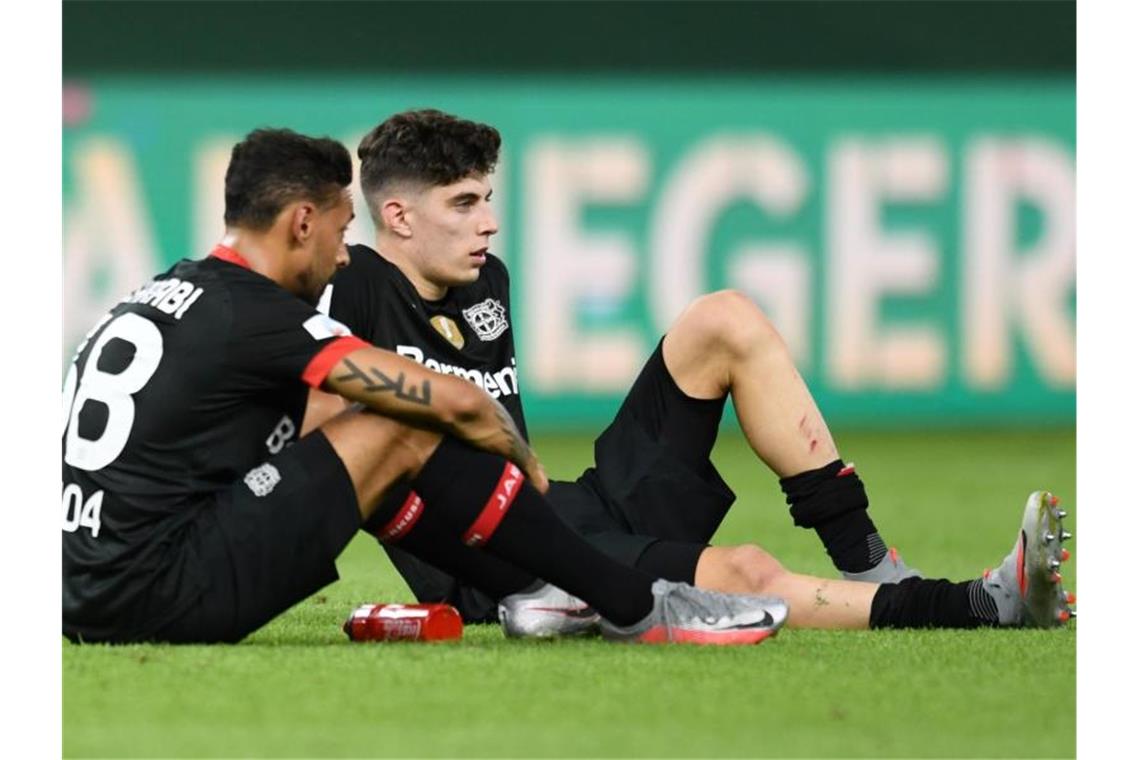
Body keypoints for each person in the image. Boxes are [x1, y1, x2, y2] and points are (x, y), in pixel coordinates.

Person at [316, 109, 1075, 634]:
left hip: (568, 509)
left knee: (725, 319)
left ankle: (873, 565)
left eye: (488, 197)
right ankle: (979, 604)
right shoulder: (346, 291)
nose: (488, 221)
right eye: (464, 203)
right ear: (398, 216)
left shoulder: (487, 279)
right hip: (502, 565)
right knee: (742, 570)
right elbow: (313, 435)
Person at [61, 127, 793, 646]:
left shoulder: (161, 292)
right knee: (401, 420)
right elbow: (453, 401)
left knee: (364, 429)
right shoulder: (256, 312)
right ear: (301, 221)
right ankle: (634, 604)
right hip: (161, 594)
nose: (346, 257)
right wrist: (518, 459)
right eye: (342, 232)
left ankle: (542, 590)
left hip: (79, 592)